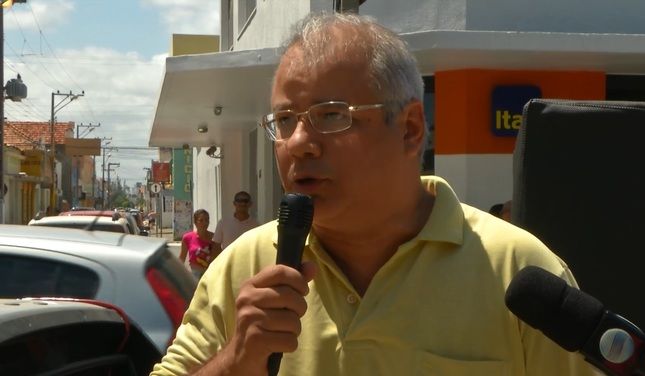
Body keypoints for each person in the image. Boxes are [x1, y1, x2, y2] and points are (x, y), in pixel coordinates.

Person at [151, 13, 601, 376]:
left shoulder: (518, 272)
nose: (298, 142)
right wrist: (235, 362)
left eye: (331, 116)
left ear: (408, 129)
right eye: (284, 120)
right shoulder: (244, 266)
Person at [210, 191, 259, 256]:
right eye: (239, 200)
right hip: (228, 263)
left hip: (247, 263)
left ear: (250, 204)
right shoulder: (223, 223)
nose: (242, 203)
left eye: (245, 201)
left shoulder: (256, 226)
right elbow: (216, 246)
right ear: (234, 203)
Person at [178, 209, 214, 281]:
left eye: (207, 220)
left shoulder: (215, 238)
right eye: (201, 220)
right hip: (194, 276)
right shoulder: (187, 237)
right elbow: (181, 259)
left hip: (210, 275)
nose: (205, 223)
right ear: (195, 222)